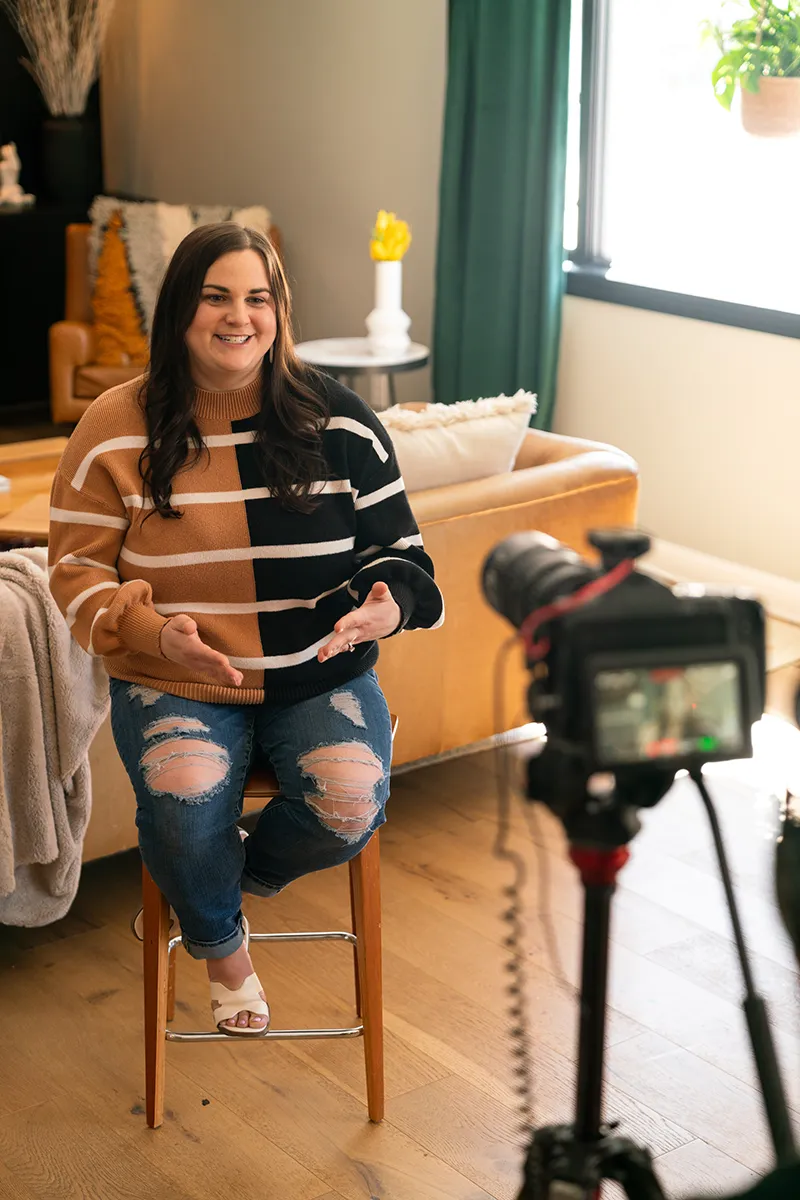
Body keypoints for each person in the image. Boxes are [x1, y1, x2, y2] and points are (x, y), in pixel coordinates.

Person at [48, 222, 443, 1036]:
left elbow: (405, 555)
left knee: (347, 801)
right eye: (217, 296)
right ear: (181, 310)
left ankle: (210, 892)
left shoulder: (342, 422)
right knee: (186, 800)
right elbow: (75, 574)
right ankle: (225, 952)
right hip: (175, 677)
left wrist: (388, 605)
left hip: (319, 673)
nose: (239, 316)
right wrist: (155, 633)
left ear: (279, 311)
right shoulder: (112, 427)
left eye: (258, 298)